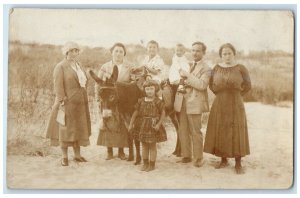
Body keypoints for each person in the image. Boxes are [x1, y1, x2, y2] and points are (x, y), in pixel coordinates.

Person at [204, 43, 251, 174]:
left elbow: (248, 85)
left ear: (234, 54)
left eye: (229, 53)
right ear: (221, 55)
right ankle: (223, 160)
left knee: (237, 130)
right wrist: (221, 95)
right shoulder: (216, 68)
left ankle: (238, 163)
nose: (227, 56)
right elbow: (211, 85)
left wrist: (237, 95)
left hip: (236, 103)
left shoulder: (241, 68)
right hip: (220, 103)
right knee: (221, 129)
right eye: (224, 53)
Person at [46, 41, 91, 166]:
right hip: (67, 103)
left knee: (79, 128)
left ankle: (77, 155)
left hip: (80, 103)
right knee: (65, 129)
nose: (74, 53)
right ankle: (64, 157)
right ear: (66, 52)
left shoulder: (79, 65)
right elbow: (58, 85)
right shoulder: (60, 66)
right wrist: (62, 100)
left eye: (76, 50)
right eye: (71, 51)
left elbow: (83, 82)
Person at [174, 41, 212, 167]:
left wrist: (187, 76)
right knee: (183, 129)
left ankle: (198, 158)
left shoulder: (206, 68)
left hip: (195, 102)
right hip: (183, 100)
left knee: (195, 131)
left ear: (203, 53)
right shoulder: (188, 64)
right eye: (193, 50)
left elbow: (202, 85)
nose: (195, 53)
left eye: (198, 51)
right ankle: (186, 155)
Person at [95, 42, 133, 160]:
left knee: (122, 125)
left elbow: (132, 82)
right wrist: (98, 98)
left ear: (124, 54)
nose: (118, 53)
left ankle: (121, 151)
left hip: (122, 101)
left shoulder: (129, 67)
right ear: (112, 53)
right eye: (116, 51)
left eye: (121, 51)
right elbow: (98, 84)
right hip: (107, 102)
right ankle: (109, 151)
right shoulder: (105, 66)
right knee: (108, 123)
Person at [128, 80, 167, 172]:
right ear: (144, 90)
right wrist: (131, 124)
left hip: (153, 126)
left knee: (152, 145)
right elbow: (135, 113)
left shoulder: (158, 101)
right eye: (147, 89)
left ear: (155, 89)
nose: (149, 91)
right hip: (143, 125)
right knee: (144, 145)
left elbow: (163, 114)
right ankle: (145, 163)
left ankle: (152, 164)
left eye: (151, 89)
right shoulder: (141, 101)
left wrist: (158, 124)